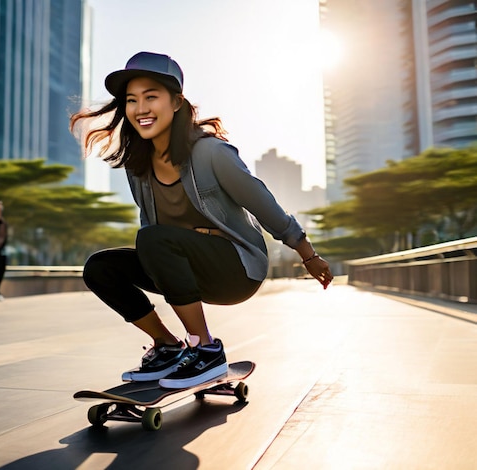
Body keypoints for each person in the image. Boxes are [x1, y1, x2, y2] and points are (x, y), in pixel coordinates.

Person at [70, 51, 333, 389]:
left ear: (177, 102)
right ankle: (167, 347)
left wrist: (308, 255)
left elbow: (263, 204)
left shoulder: (210, 153)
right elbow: (152, 227)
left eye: (151, 96)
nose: (140, 108)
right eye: (132, 100)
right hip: (183, 263)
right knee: (100, 268)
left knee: (153, 239)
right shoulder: (139, 166)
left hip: (236, 269)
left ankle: (205, 348)